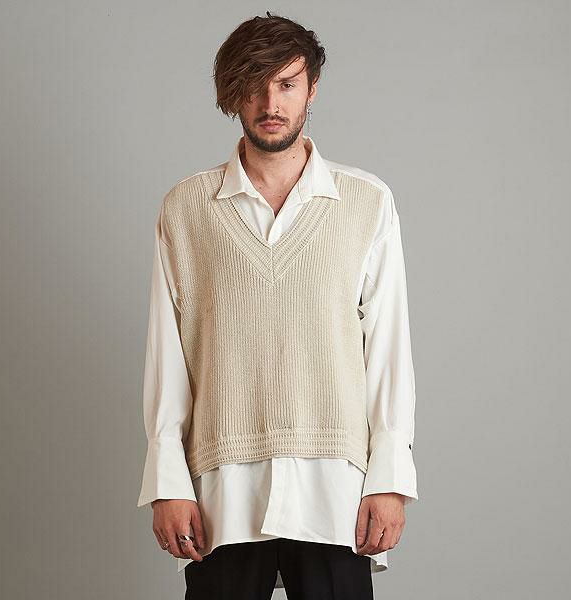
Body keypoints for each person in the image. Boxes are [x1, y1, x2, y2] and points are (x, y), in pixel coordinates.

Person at [136, 11, 419, 600]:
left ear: (312, 89)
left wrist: (391, 478)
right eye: (254, 85)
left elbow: (388, 350)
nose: (271, 103)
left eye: (287, 84)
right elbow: (169, 355)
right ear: (231, 94)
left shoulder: (365, 202)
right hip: (223, 495)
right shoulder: (186, 209)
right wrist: (167, 482)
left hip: (335, 493)